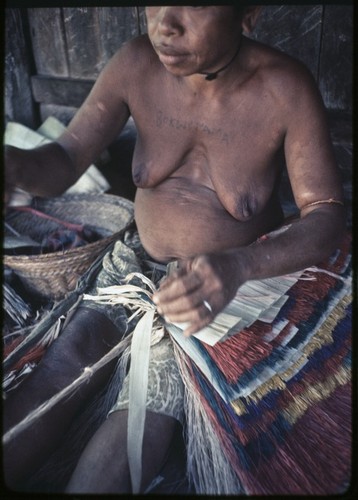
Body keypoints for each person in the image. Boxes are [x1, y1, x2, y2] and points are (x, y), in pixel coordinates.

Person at [3, 5, 346, 494]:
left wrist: (240, 265)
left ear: (247, 15)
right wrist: (14, 165)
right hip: (132, 271)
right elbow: (63, 158)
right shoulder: (135, 65)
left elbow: (327, 214)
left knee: (145, 407)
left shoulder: (284, 89)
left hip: (227, 290)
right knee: (59, 366)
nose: (165, 24)